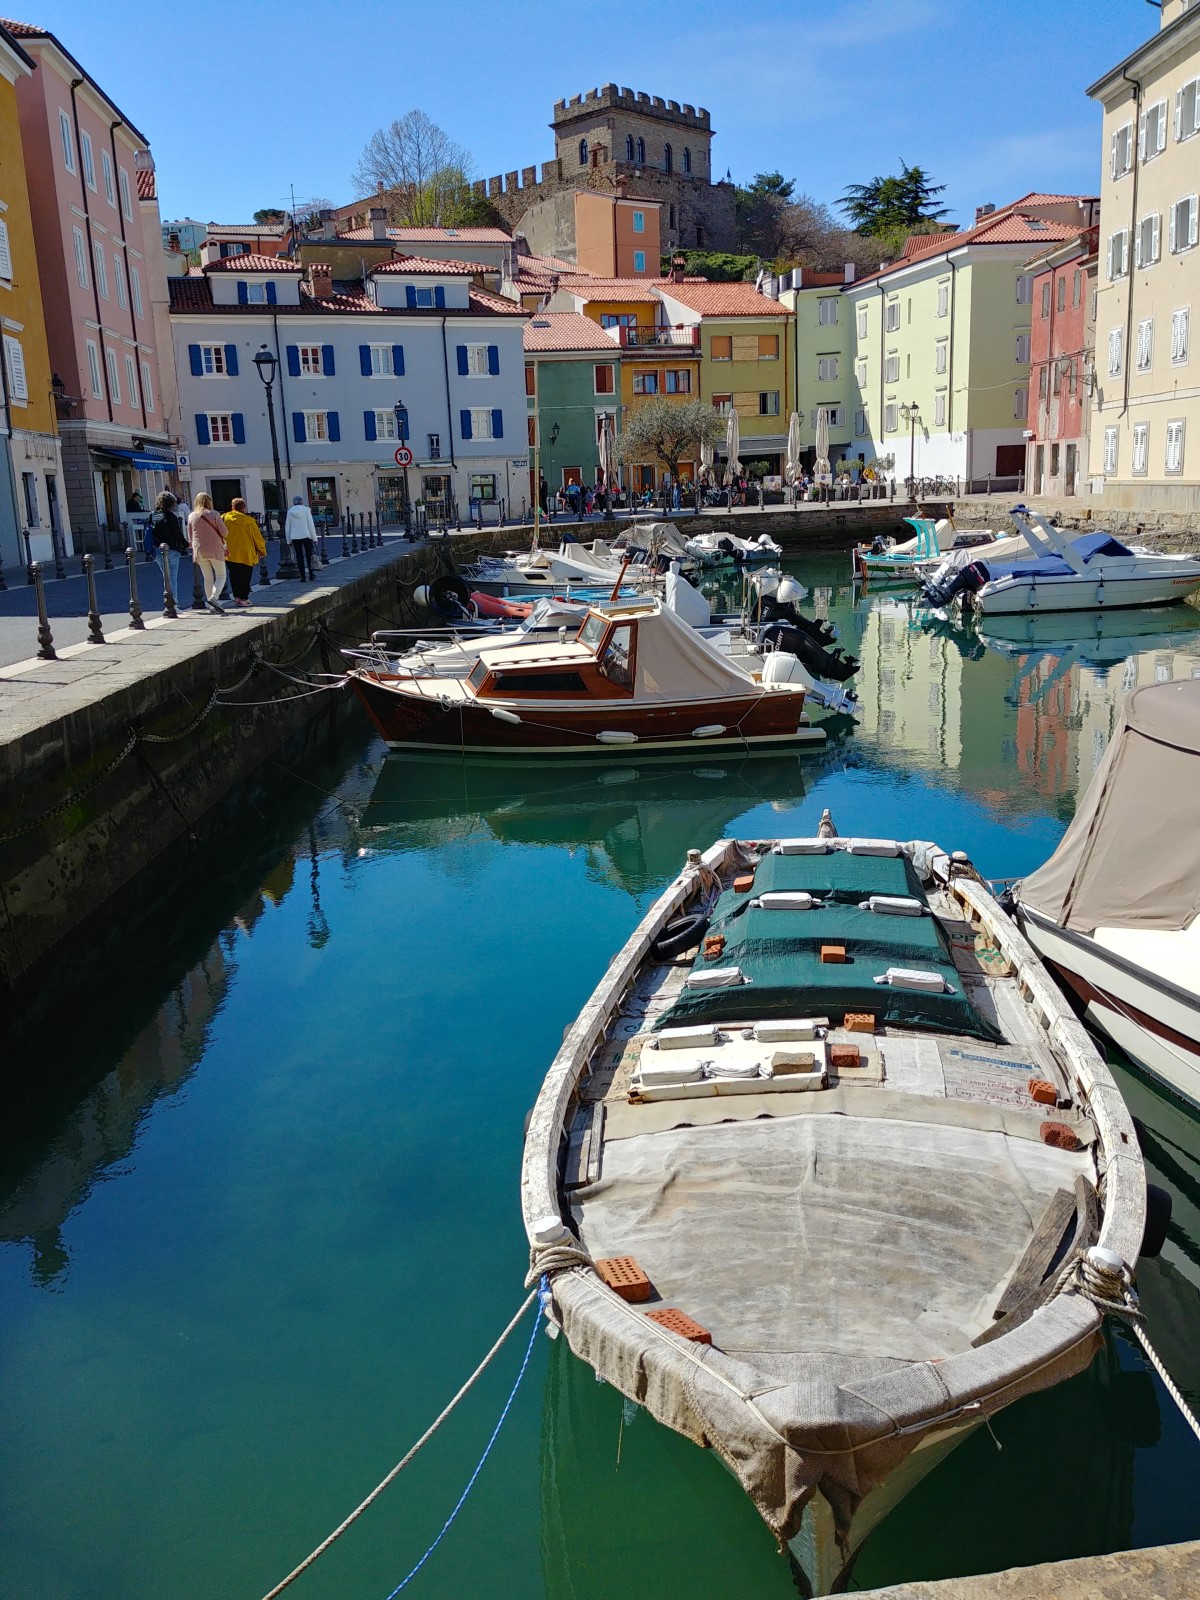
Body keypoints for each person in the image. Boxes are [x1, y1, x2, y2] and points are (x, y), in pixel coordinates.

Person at [188, 491, 229, 613]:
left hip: (199, 549)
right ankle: (214, 598)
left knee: (207, 578)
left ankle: (211, 606)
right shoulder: (215, 514)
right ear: (209, 502)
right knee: (221, 575)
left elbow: (190, 536)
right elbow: (225, 533)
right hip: (215, 548)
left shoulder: (191, 516)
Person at [222, 498, 266, 608]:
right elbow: (257, 538)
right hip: (246, 553)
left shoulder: (224, 518)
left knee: (234, 575)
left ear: (232, 507)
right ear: (243, 508)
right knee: (245, 576)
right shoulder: (249, 521)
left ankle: (236, 597)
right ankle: (244, 598)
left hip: (230, 553)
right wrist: (262, 550)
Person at [149, 491, 187, 607]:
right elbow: (177, 534)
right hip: (171, 550)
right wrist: (185, 544)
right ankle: (173, 604)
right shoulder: (171, 517)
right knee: (172, 579)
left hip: (157, 550)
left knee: (166, 577)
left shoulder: (153, 515)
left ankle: (169, 602)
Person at [284, 494, 318, 579]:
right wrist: (314, 538)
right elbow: (310, 524)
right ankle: (311, 573)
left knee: (299, 556)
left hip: (295, 536)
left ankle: (302, 576)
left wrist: (288, 540)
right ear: (302, 502)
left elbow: (287, 527)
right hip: (306, 535)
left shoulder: (290, 511)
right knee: (308, 555)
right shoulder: (306, 510)